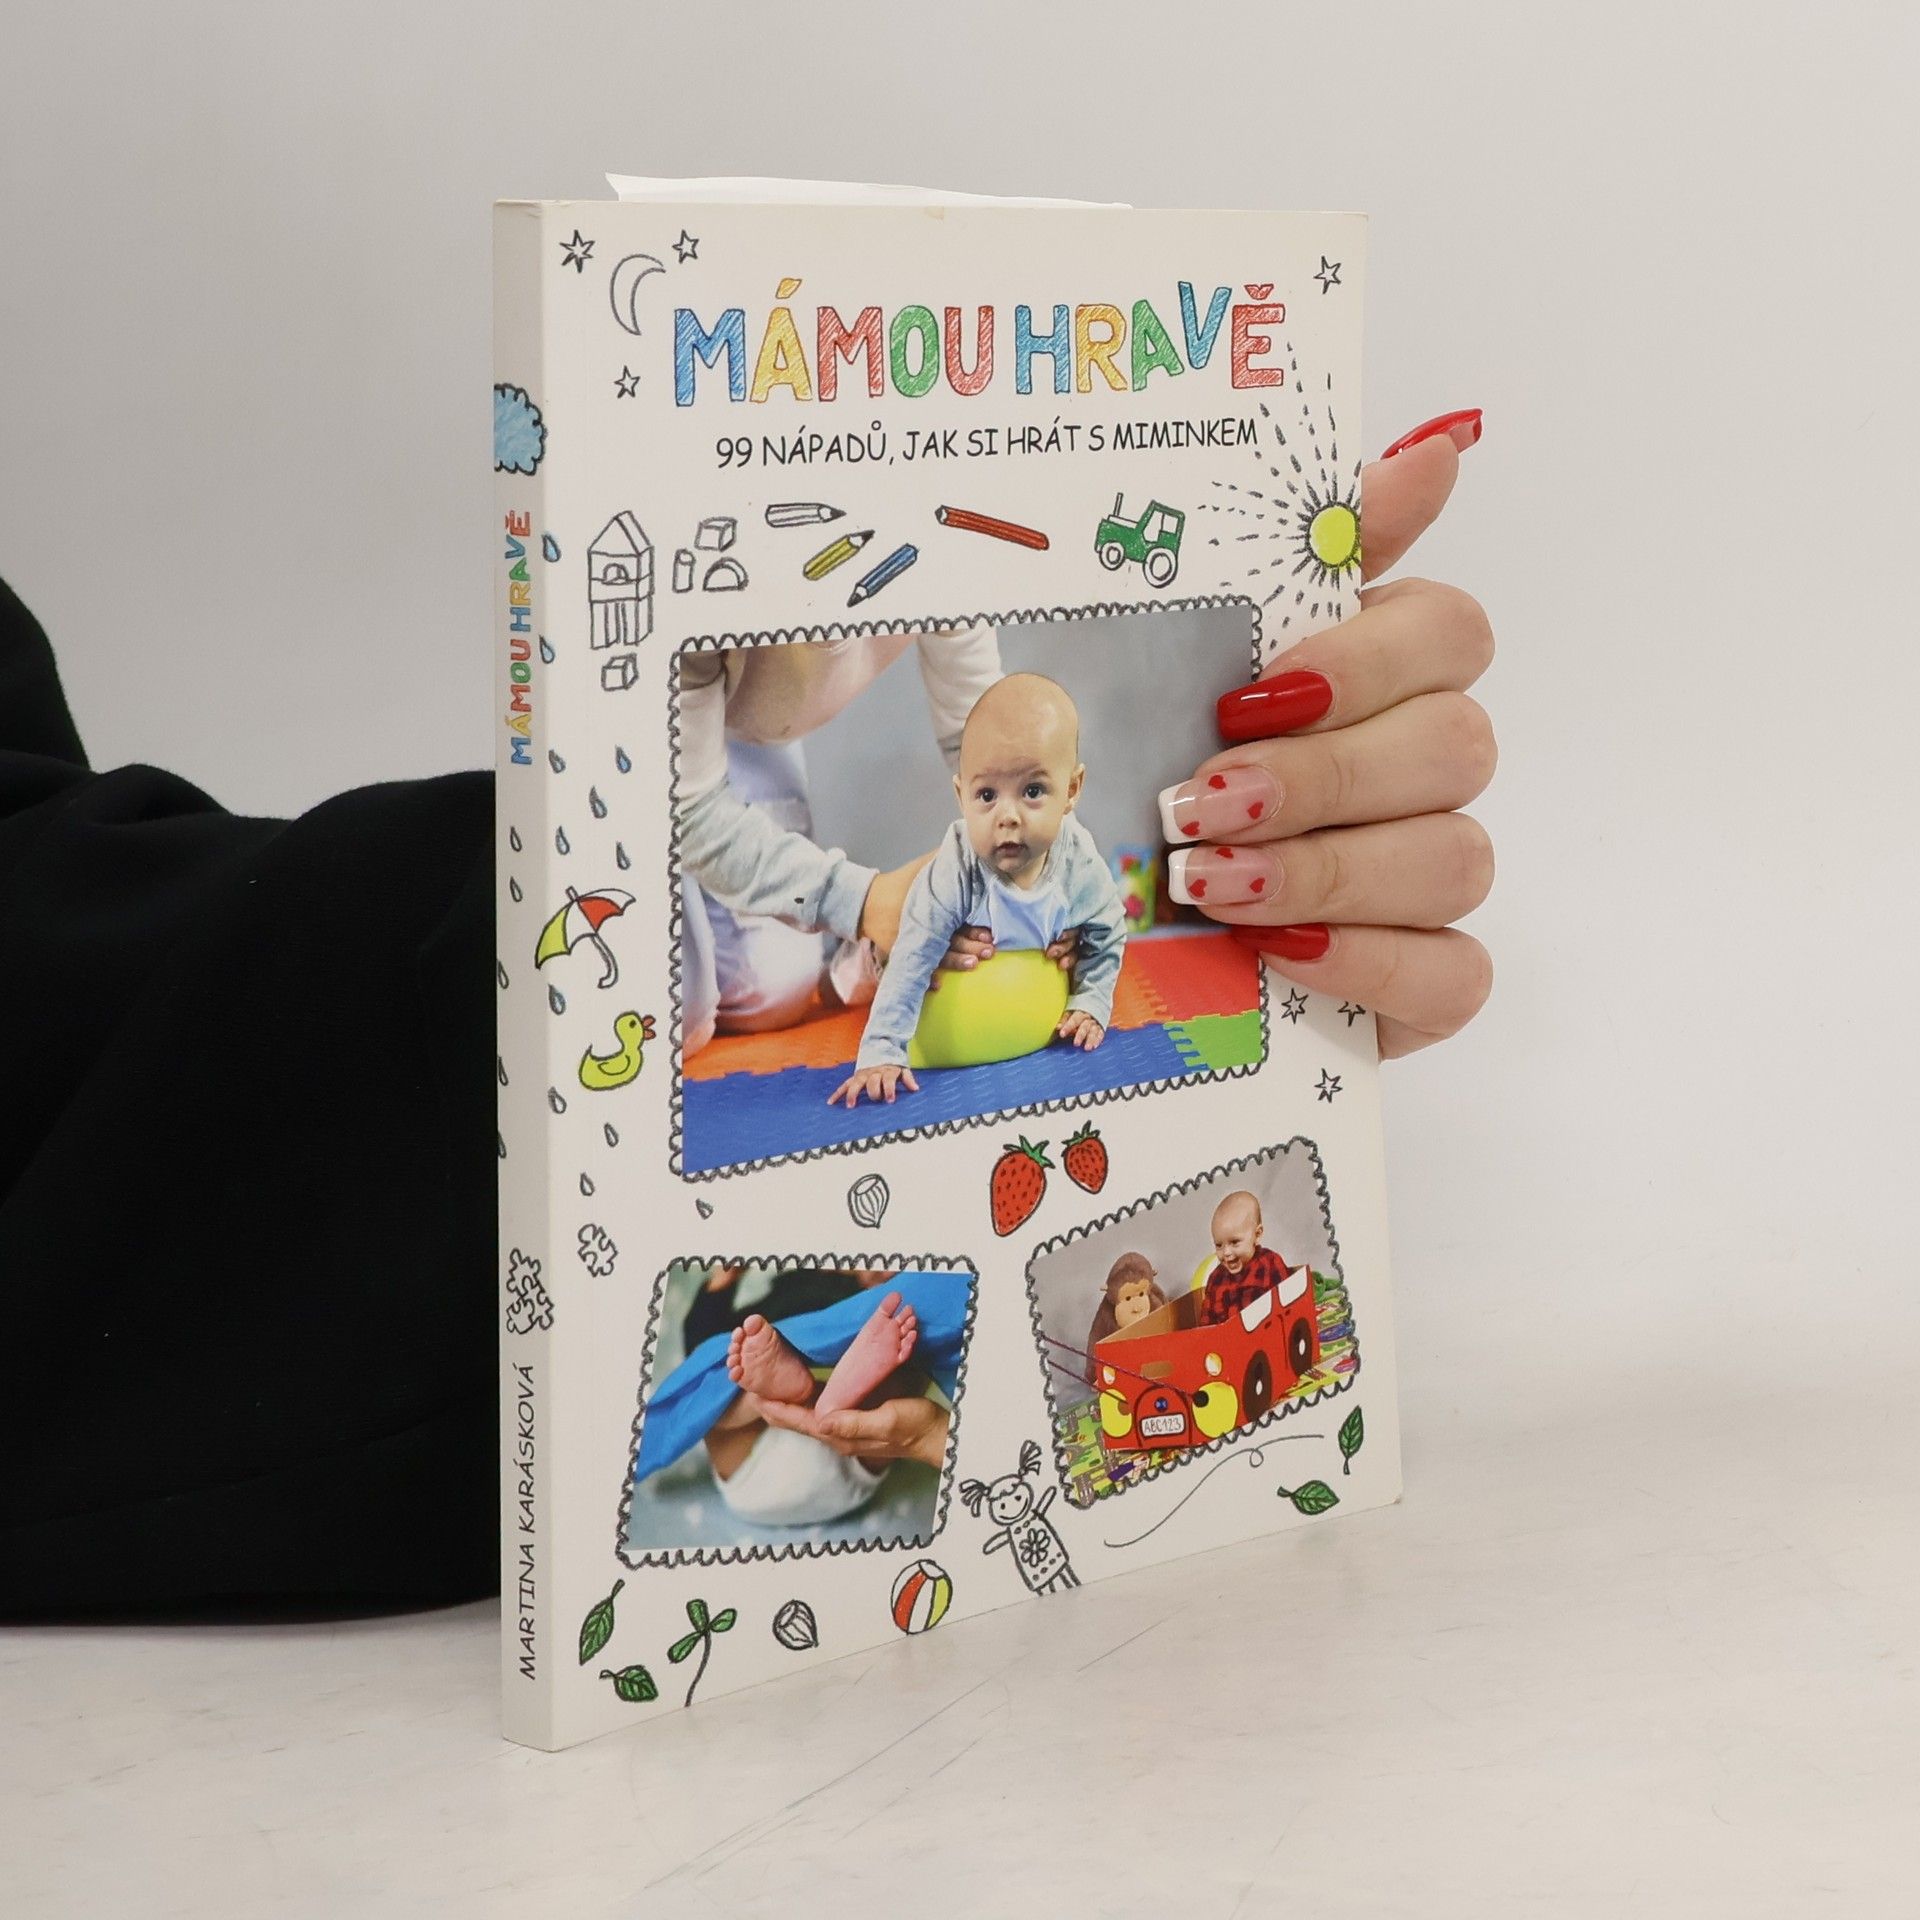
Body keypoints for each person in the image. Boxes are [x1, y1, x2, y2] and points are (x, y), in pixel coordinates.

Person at [0, 406, 1494, 1612]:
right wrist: (783, 927)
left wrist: (1184, 996)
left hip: (453, 1077)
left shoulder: (952, 605)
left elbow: (984, 755)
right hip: (611, 973)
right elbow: (705, 830)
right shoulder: (701, 643)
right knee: (742, 966)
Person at [829, 673, 1128, 1109]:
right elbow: (913, 956)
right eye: (986, 794)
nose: (1007, 816)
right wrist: (881, 1052)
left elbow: (1109, 932)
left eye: (1032, 791)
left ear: (1071, 790)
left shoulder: (1078, 865)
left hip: (1021, 1009)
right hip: (912, 952)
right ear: (960, 795)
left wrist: (1092, 999)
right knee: (880, 963)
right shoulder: (958, 866)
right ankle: (856, 958)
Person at [1197, 1190, 1293, 1326]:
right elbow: (1207, 1321)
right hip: (1228, 1337)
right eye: (1219, 1245)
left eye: (1234, 1242)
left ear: (1257, 1235)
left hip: (1266, 1332)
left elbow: (1289, 1302)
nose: (1226, 1252)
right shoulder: (1216, 1279)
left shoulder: (1270, 1263)